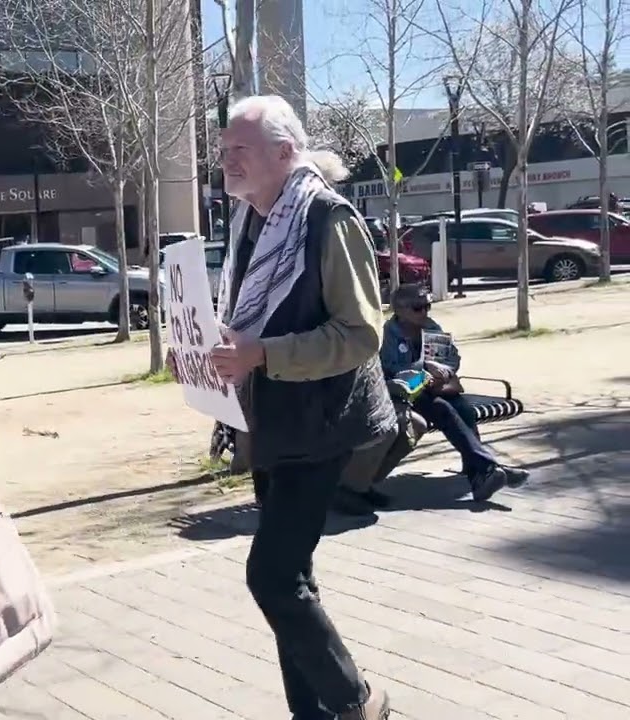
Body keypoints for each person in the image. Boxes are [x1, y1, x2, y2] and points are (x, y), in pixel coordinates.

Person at [204, 95, 396, 720]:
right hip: (273, 422)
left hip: (325, 420)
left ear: (285, 153)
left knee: (273, 575)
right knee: (295, 578)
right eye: (224, 148)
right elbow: (244, 316)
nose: (224, 160)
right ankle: (311, 713)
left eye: (240, 150)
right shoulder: (250, 219)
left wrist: (263, 355)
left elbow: (361, 334)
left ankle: (356, 703)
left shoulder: (327, 219)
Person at [380, 285, 528, 501]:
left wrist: (445, 371)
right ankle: (491, 468)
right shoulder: (388, 333)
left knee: (464, 409)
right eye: (417, 308)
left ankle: (481, 474)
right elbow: (389, 366)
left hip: (434, 386)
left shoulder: (431, 326)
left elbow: (452, 358)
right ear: (399, 310)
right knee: (442, 409)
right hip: (404, 390)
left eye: (427, 306)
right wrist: (424, 366)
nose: (424, 312)